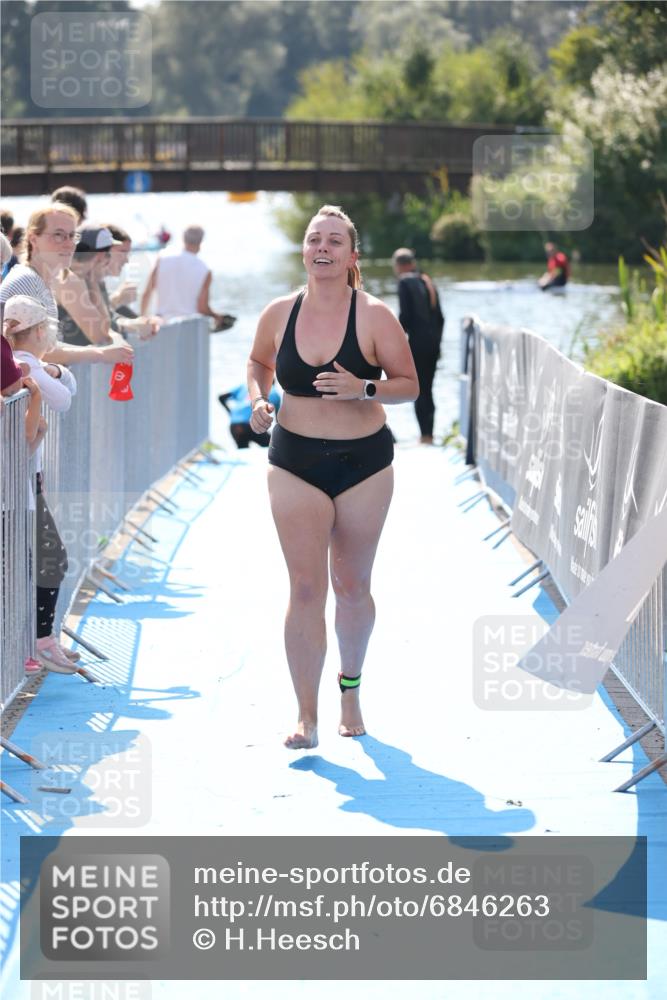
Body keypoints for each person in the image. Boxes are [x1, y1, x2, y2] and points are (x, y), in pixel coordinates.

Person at [247, 205, 418, 749]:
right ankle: (305, 714)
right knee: (303, 587)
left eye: (334, 241)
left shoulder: (374, 316)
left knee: (352, 586)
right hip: (294, 459)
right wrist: (258, 399)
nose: (322, 247)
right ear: (304, 249)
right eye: (314, 238)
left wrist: (364, 388)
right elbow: (257, 362)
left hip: (364, 463)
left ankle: (350, 690)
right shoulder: (279, 312)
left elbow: (409, 384)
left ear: (351, 255)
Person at [3, 294, 79, 674]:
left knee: (36, 561)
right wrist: (54, 375)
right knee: (50, 559)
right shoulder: (26, 362)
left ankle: (35, 643)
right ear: (37, 332)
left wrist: (53, 373)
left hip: (23, 477)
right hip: (16, 481)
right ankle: (39, 642)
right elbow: (65, 399)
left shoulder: (23, 362)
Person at [0, 203, 134, 369]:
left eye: (72, 236)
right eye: (58, 235)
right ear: (34, 239)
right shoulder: (26, 280)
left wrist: (102, 352)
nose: (69, 244)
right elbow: (39, 352)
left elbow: (48, 346)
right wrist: (99, 354)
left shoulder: (40, 280)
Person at [391, 247, 445, 445]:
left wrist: (393, 341)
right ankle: (429, 435)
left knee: (419, 390)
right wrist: (437, 343)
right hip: (433, 344)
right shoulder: (427, 280)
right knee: (428, 389)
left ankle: (424, 437)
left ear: (399, 265)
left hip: (417, 344)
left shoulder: (404, 282)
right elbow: (440, 318)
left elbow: (405, 317)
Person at [140, 224, 233, 330]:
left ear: (183, 239)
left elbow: (147, 293)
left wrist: (142, 320)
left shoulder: (162, 258)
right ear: (201, 241)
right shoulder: (205, 270)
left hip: (162, 324)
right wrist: (218, 317)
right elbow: (202, 307)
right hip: (189, 327)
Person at [218, 382, 281, 448]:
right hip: (251, 423)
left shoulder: (244, 386)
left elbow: (221, 397)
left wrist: (231, 413)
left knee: (242, 451)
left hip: (235, 425)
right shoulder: (274, 392)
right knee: (273, 447)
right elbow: (279, 420)